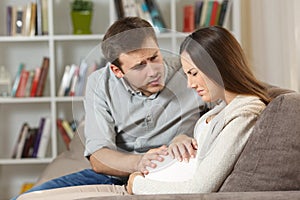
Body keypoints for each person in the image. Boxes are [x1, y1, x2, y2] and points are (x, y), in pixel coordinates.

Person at [16, 26, 271, 199]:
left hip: (164, 171)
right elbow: (98, 156)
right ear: (118, 71)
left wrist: (184, 135)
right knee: (26, 197)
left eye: (154, 57)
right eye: (139, 65)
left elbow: (223, 109)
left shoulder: (188, 68)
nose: (153, 71)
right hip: (116, 170)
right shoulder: (100, 83)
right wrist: (138, 164)